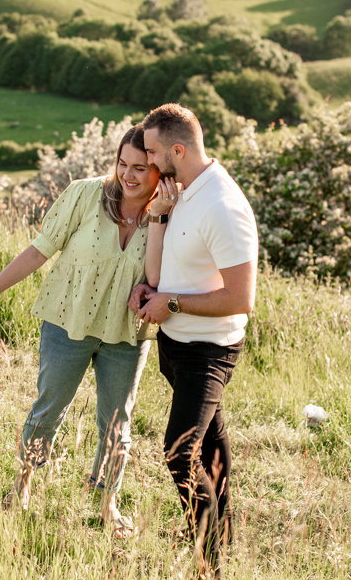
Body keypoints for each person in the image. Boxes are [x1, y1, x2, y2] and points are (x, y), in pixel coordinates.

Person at [0, 124, 170, 537]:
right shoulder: (85, 194)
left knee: (117, 421)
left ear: (159, 169)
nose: (128, 175)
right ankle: (21, 487)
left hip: (127, 333)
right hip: (66, 322)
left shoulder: (166, 214)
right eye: (122, 164)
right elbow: (39, 250)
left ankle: (108, 503)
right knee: (48, 409)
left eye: (141, 168)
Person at [130, 104, 258, 574]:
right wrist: (159, 219)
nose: (147, 162)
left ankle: (208, 559)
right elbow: (160, 273)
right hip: (176, 346)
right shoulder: (180, 192)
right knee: (211, 450)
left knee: (179, 451)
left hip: (209, 350)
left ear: (177, 150)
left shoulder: (223, 206)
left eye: (153, 153)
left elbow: (241, 297)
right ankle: (219, 539)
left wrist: (173, 303)